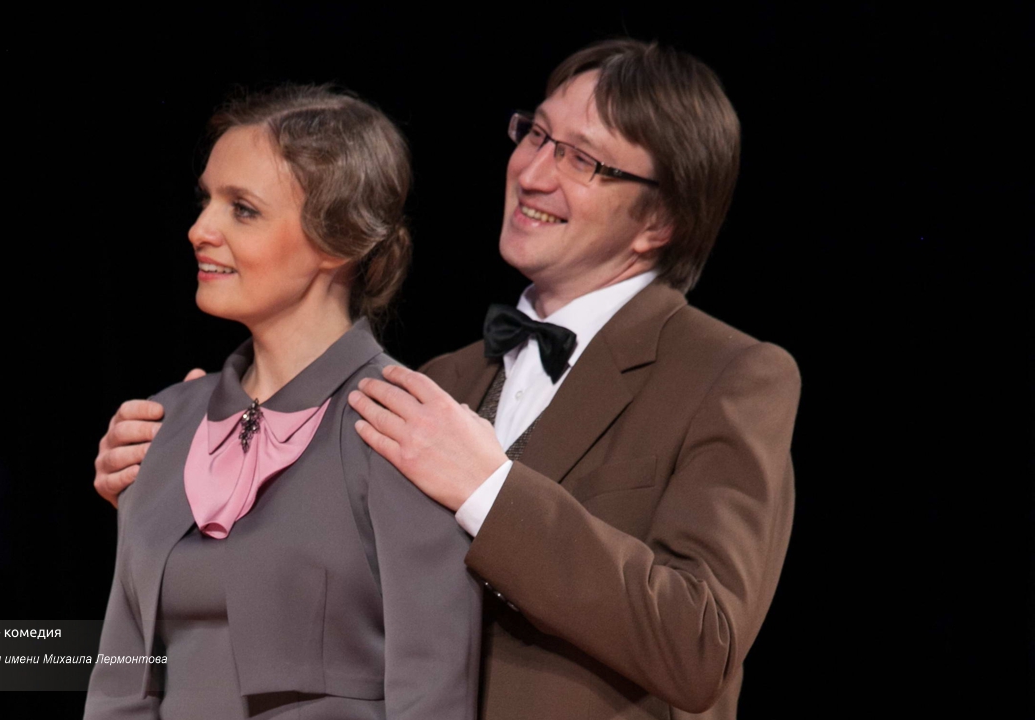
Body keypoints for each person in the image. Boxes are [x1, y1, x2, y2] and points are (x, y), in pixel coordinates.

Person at [95, 39, 800, 720]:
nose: (533, 172)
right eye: (537, 134)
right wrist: (184, 483)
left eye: (581, 159)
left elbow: (701, 644)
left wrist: (489, 492)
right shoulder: (437, 379)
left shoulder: (730, 376)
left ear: (660, 220)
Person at [84, 84, 480, 720]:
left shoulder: (400, 425)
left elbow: (432, 690)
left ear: (339, 242)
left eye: (242, 209)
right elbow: (120, 684)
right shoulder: (164, 421)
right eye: (206, 200)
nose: (199, 230)